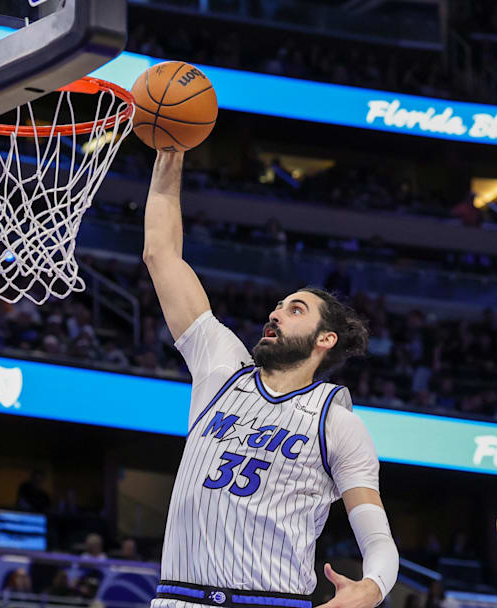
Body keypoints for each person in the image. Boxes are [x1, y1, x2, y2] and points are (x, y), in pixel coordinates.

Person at [142, 152, 398, 608]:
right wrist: (170, 152)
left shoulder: (336, 422)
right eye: (277, 306)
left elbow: (377, 538)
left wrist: (371, 589)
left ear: (325, 339)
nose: (276, 313)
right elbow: (160, 254)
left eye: (295, 309)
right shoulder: (220, 369)